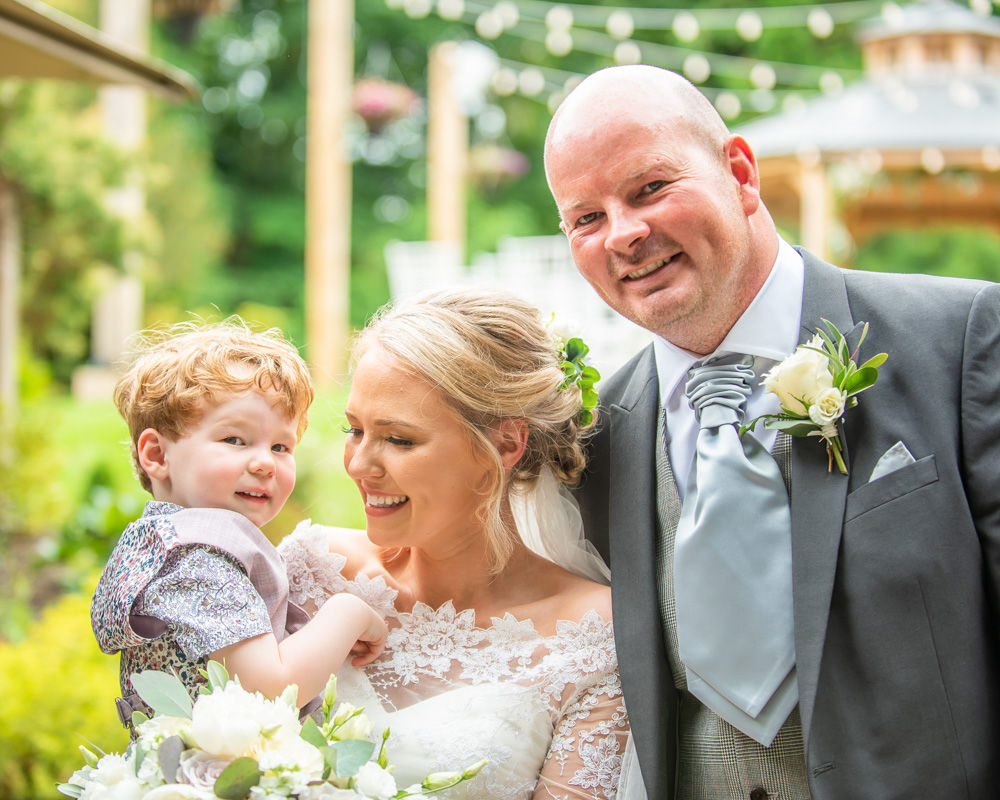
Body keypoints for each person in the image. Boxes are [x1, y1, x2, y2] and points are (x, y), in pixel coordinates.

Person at [544, 64, 1000, 800]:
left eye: (650, 188)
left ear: (740, 174)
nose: (625, 234)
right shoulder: (591, 441)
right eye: (586, 218)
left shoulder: (961, 339)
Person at [278, 288, 638, 799]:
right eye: (354, 430)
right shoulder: (306, 570)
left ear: (506, 443)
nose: (359, 464)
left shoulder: (590, 638)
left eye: (399, 439)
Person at [91, 320, 388, 727]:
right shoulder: (198, 564)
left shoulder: (164, 544)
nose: (265, 462)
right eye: (235, 440)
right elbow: (269, 690)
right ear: (157, 455)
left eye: (281, 446)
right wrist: (348, 612)